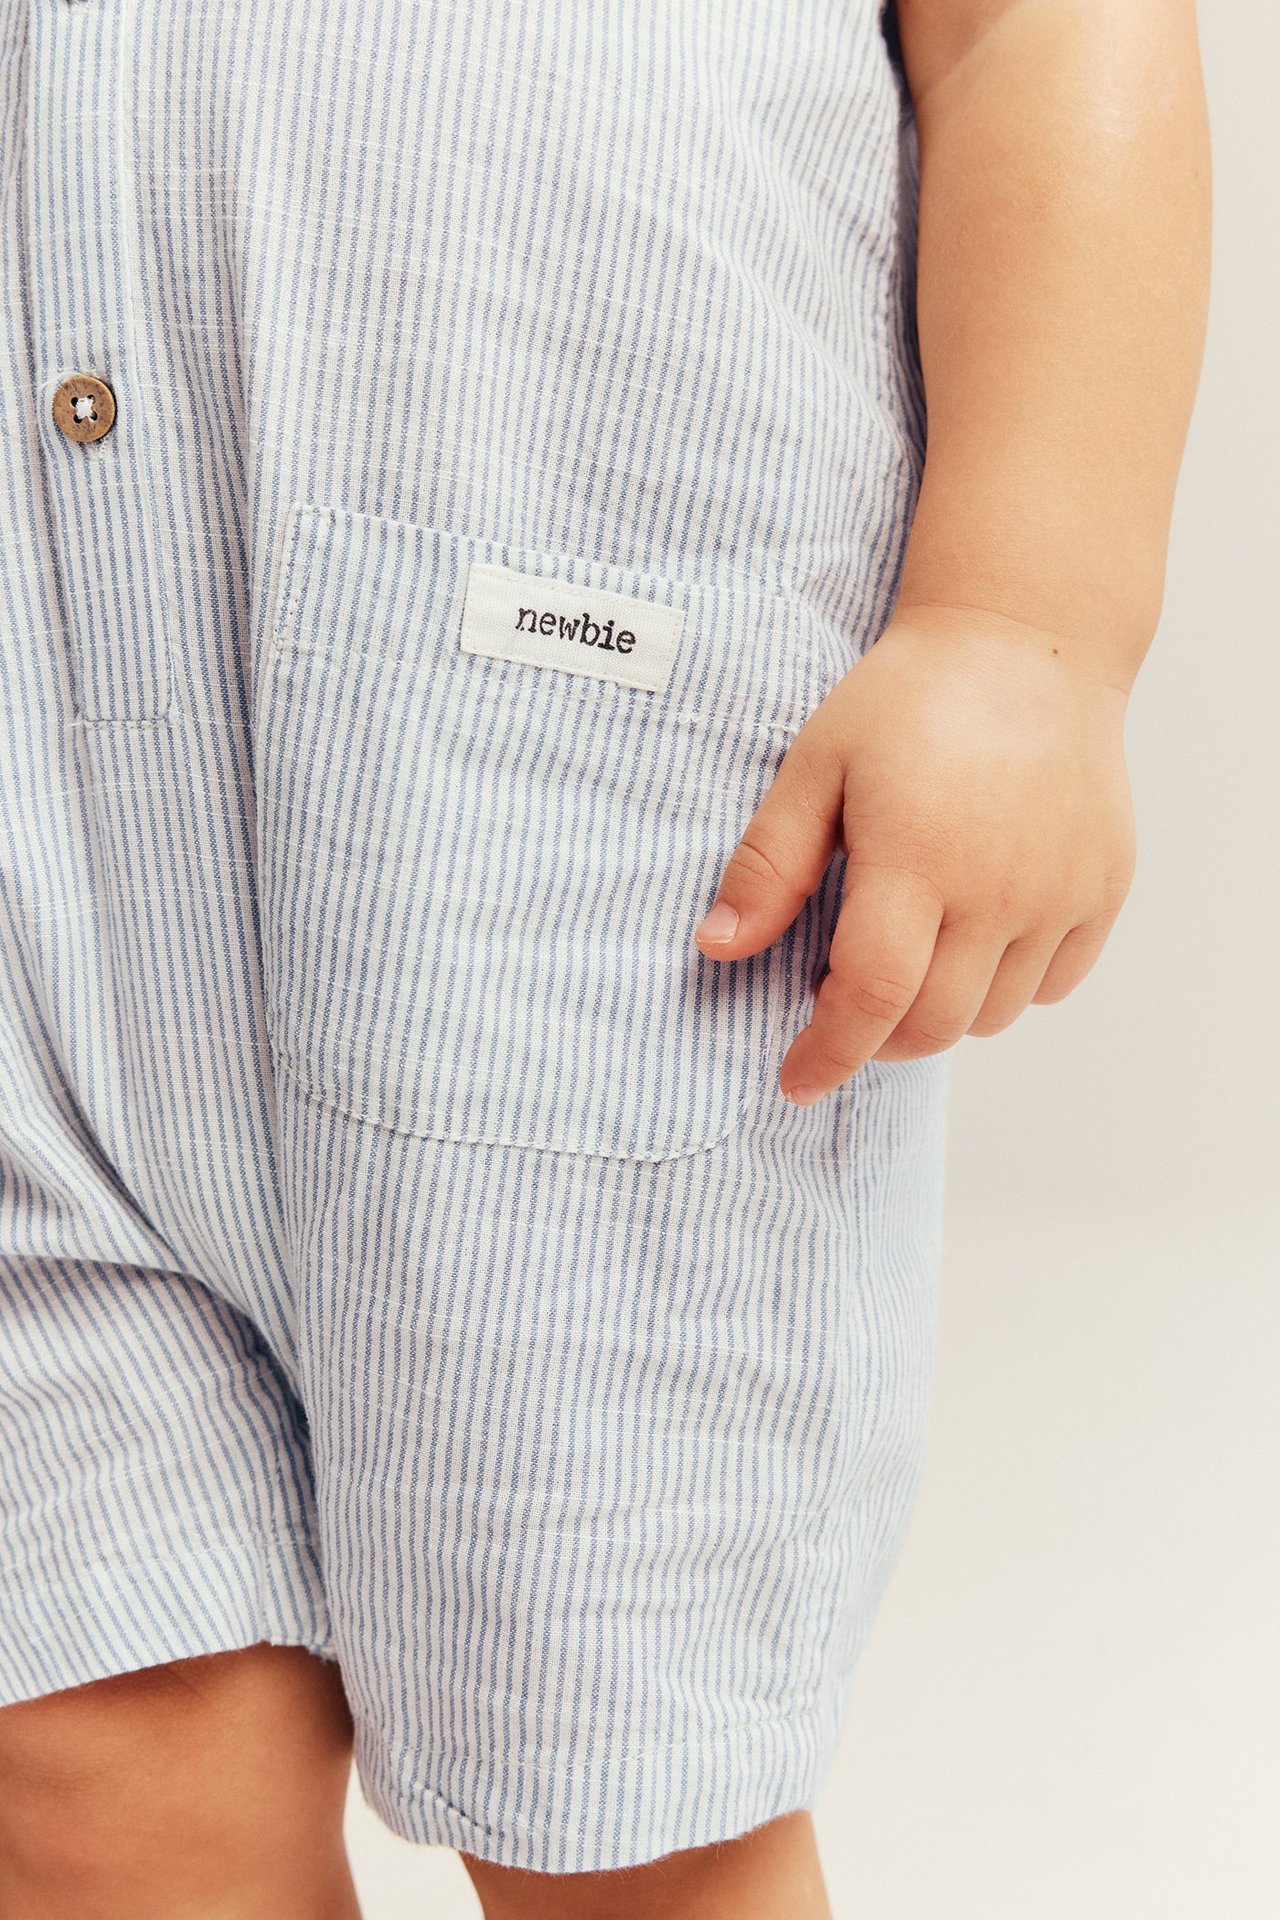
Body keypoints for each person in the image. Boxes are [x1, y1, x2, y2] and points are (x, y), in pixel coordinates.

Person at [0, 1, 1210, 1915]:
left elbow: (1034, 29)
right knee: (88, 1759)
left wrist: (1024, 622)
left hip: (569, 851)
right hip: (25, 866)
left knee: (632, 1818)